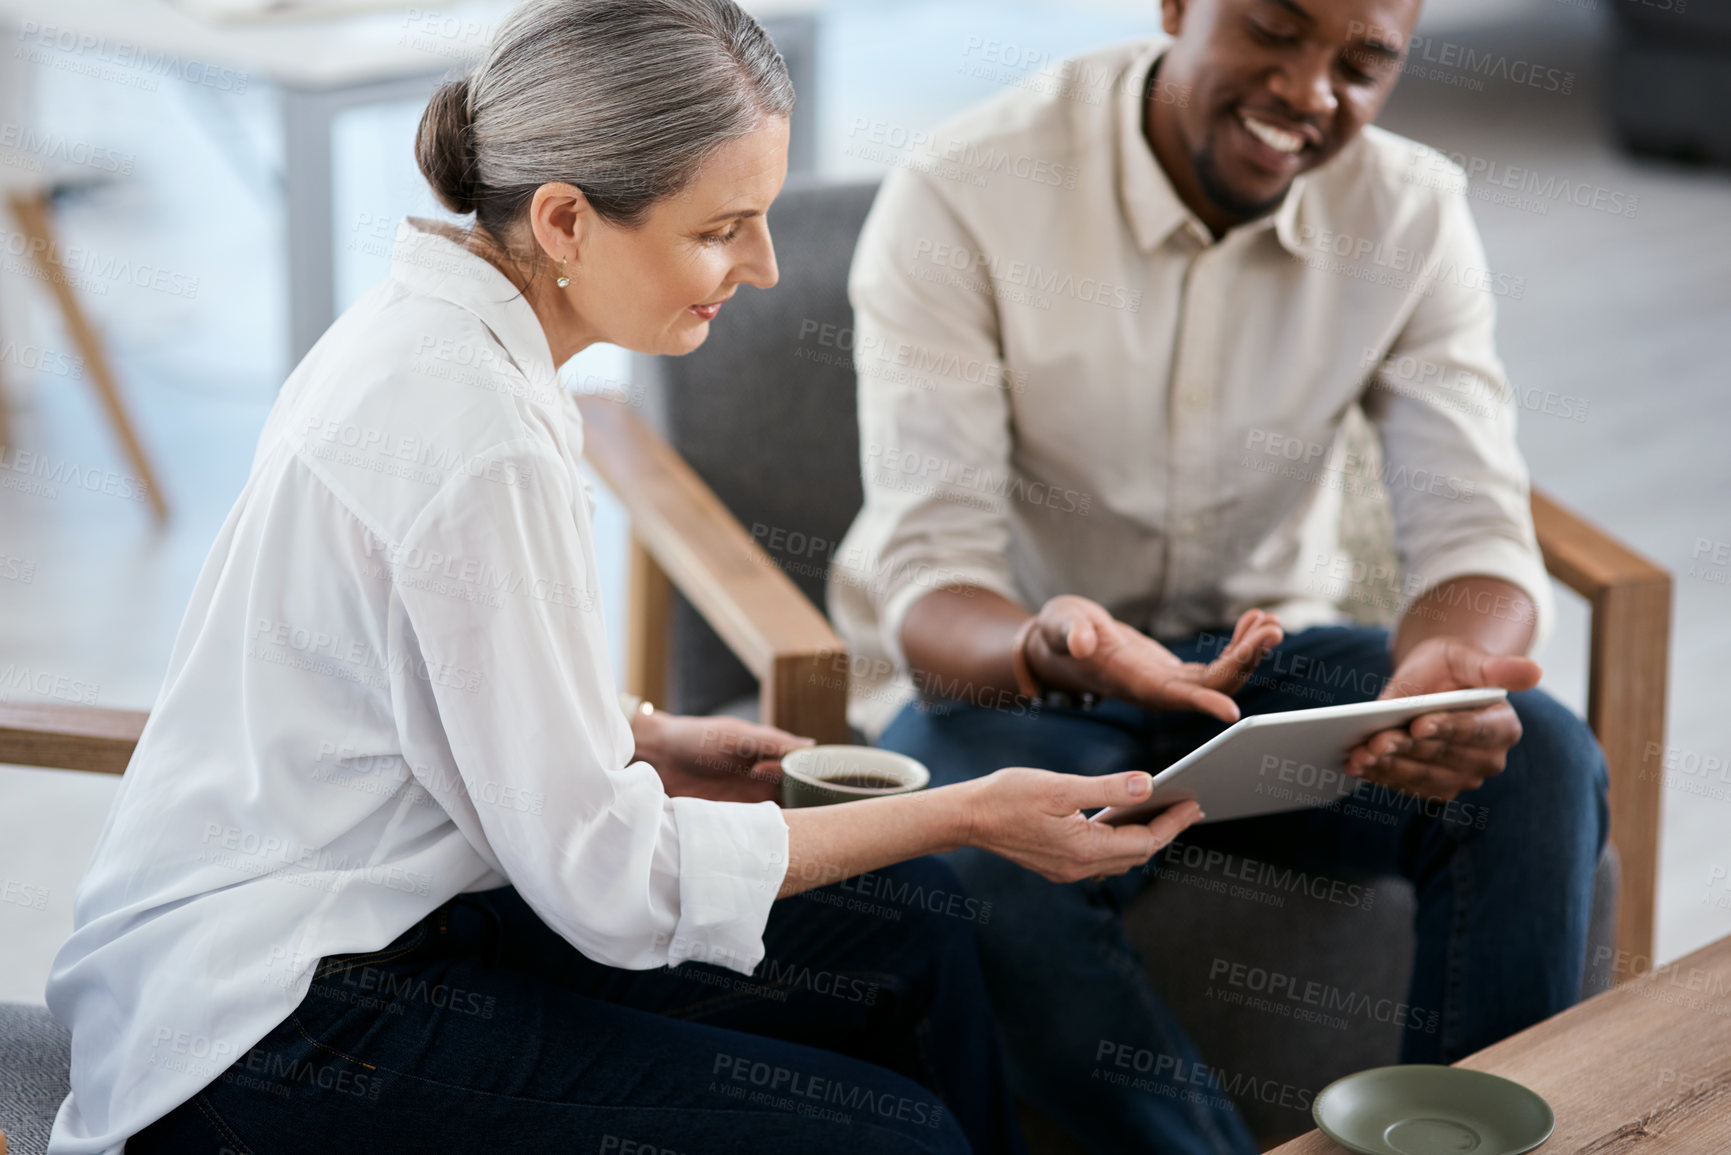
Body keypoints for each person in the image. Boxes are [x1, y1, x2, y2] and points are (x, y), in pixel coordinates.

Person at [42, 3, 1246, 1152]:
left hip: (396, 913)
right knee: (899, 1135)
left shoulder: (453, 336)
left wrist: (639, 736)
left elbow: (414, 669)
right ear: (565, 220)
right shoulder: (473, 431)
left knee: (916, 933)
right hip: (268, 1033)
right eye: (722, 228)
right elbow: (612, 889)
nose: (764, 267)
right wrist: (973, 812)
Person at [830, 0, 1609, 1151]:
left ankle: (1459, 1136)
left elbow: (1474, 522)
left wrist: (1449, 663)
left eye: (1362, 63)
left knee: (1537, 752)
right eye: (1274, 32)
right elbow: (929, 576)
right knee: (969, 864)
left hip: (1260, 671)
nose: (1308, 92)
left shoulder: (1409, 211)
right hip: (1018, 682)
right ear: (1177, 8)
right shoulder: (966, 188)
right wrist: (1061, 649)